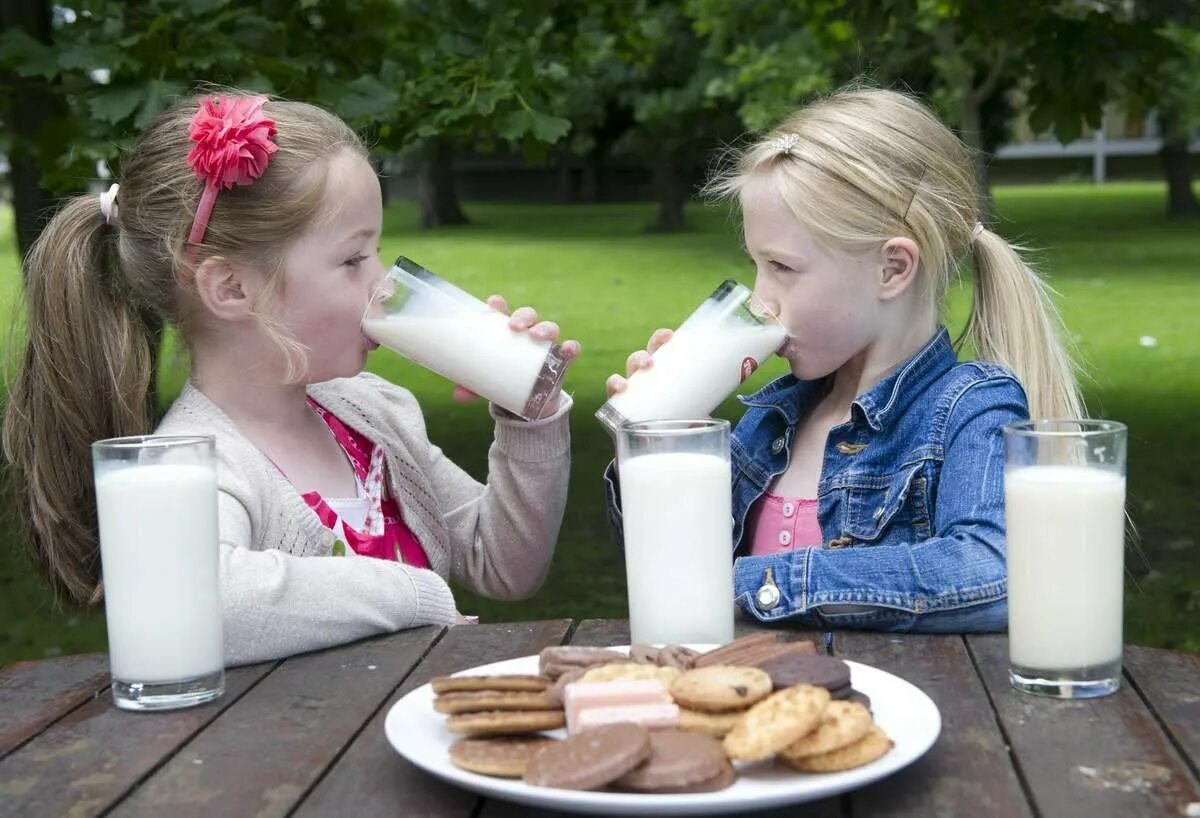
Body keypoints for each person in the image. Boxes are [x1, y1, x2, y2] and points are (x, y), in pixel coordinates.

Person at [3, 91, 580, 664]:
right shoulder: (195, 465)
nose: (382, 284)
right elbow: (192, 598)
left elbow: (505, 564)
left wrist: (528, 418)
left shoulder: (375, 412)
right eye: (353, 260)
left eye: (377, 251)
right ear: (230, 289)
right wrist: (409, 591)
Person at [604, 87, 1084, 632]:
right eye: (757, 265)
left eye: (782, 267)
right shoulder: (772, 421)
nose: (761, 298)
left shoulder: (969, 408)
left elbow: (998, 572)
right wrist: (654, 450)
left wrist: (758, 583)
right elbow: (672, 577)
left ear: (892, 269)